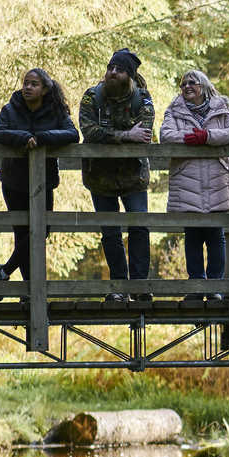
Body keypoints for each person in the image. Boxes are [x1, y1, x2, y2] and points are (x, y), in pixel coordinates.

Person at [0, 68, 78, 298]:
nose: (28, 87)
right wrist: (23, 137)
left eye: (34, 84)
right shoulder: (10, 109)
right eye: (25, 83)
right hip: (14, 181)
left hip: (44, 181)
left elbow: (72, 134)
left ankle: (4, 270)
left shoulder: (56, 112)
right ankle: (29, 292)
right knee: (22, 234)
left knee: (41, 231)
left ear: (45, 89)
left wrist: (42, 137)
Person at [160, 69, 229, 299]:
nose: (187, 86)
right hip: (188, 178)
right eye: (183, 83)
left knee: (216, 235)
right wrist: (189, 139)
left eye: (192, 82)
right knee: (193, 235)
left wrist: (207, 137)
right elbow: (166, 135)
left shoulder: (221, 108)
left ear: (203, 85)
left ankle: (215, 287)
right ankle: (196, 288)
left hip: (217, 178)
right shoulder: (174, 110)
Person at [79, 49, 156, 301]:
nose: (113, 72)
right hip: (99, 177)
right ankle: (119, 287)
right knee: (110, 232)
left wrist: (112, 135)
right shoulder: (92, 96)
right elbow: (89, 131)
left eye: (119, 70)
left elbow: (143, 134)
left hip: (133, 175)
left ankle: (140, 286)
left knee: (139, 228)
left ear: (129, 76)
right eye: (111, 67)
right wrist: (125, 135)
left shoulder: (142, 99)